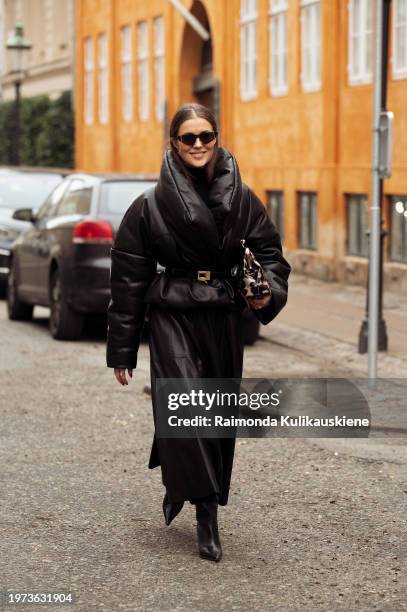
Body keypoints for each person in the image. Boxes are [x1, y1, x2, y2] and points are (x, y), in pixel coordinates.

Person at [106, 103, 291, 562]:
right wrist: (122, 351)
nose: (197, 145)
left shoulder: (244, 199)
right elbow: (128, 281)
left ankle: (184, 478)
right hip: (172, 312)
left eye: (205, 136)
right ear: (173, 143)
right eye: (188, 137)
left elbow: (271, 255)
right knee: (187, 404)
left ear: (217, 139)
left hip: (224, 315)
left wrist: (267, 289)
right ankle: (205, 515)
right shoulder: (148, 206)